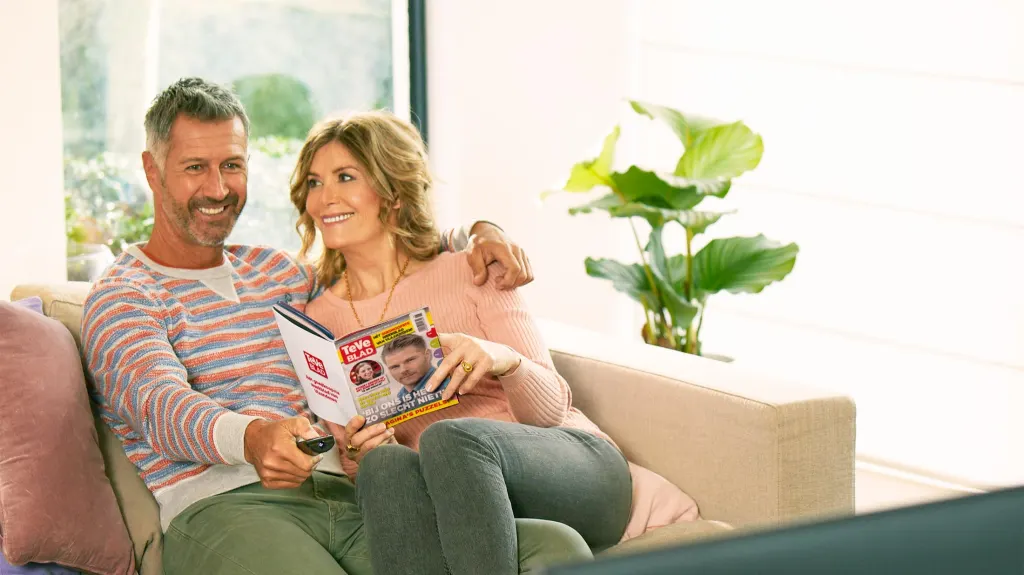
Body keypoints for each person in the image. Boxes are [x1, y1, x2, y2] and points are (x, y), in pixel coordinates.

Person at [80, 77, 571, 575]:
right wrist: (251, 438)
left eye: (232, 165)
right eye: (194, 168)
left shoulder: (279, 274)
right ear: (152, 169)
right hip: (228, 509)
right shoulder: (124, 295)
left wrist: (479, 232)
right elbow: (160, 406)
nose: (218, 188)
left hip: (355, 500)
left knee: (551, 550)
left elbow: (378, 250)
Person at [296, 110, 698, 575]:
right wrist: (360, 451)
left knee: (449, 438)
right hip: (457, 497)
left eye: (345, 177)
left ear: (394, 191)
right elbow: (355, 462)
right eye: (313, 182)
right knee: (385, 466)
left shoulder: (473, 268)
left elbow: (551, 410)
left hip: (569, 469)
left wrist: (501, 360)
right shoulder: (318, 322)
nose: (325, 198)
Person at [381, 333, 445, 403]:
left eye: (410, 360)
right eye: (395, 367)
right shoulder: (401, 396)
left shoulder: (446, 383)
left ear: (427, 355)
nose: (403, 370)